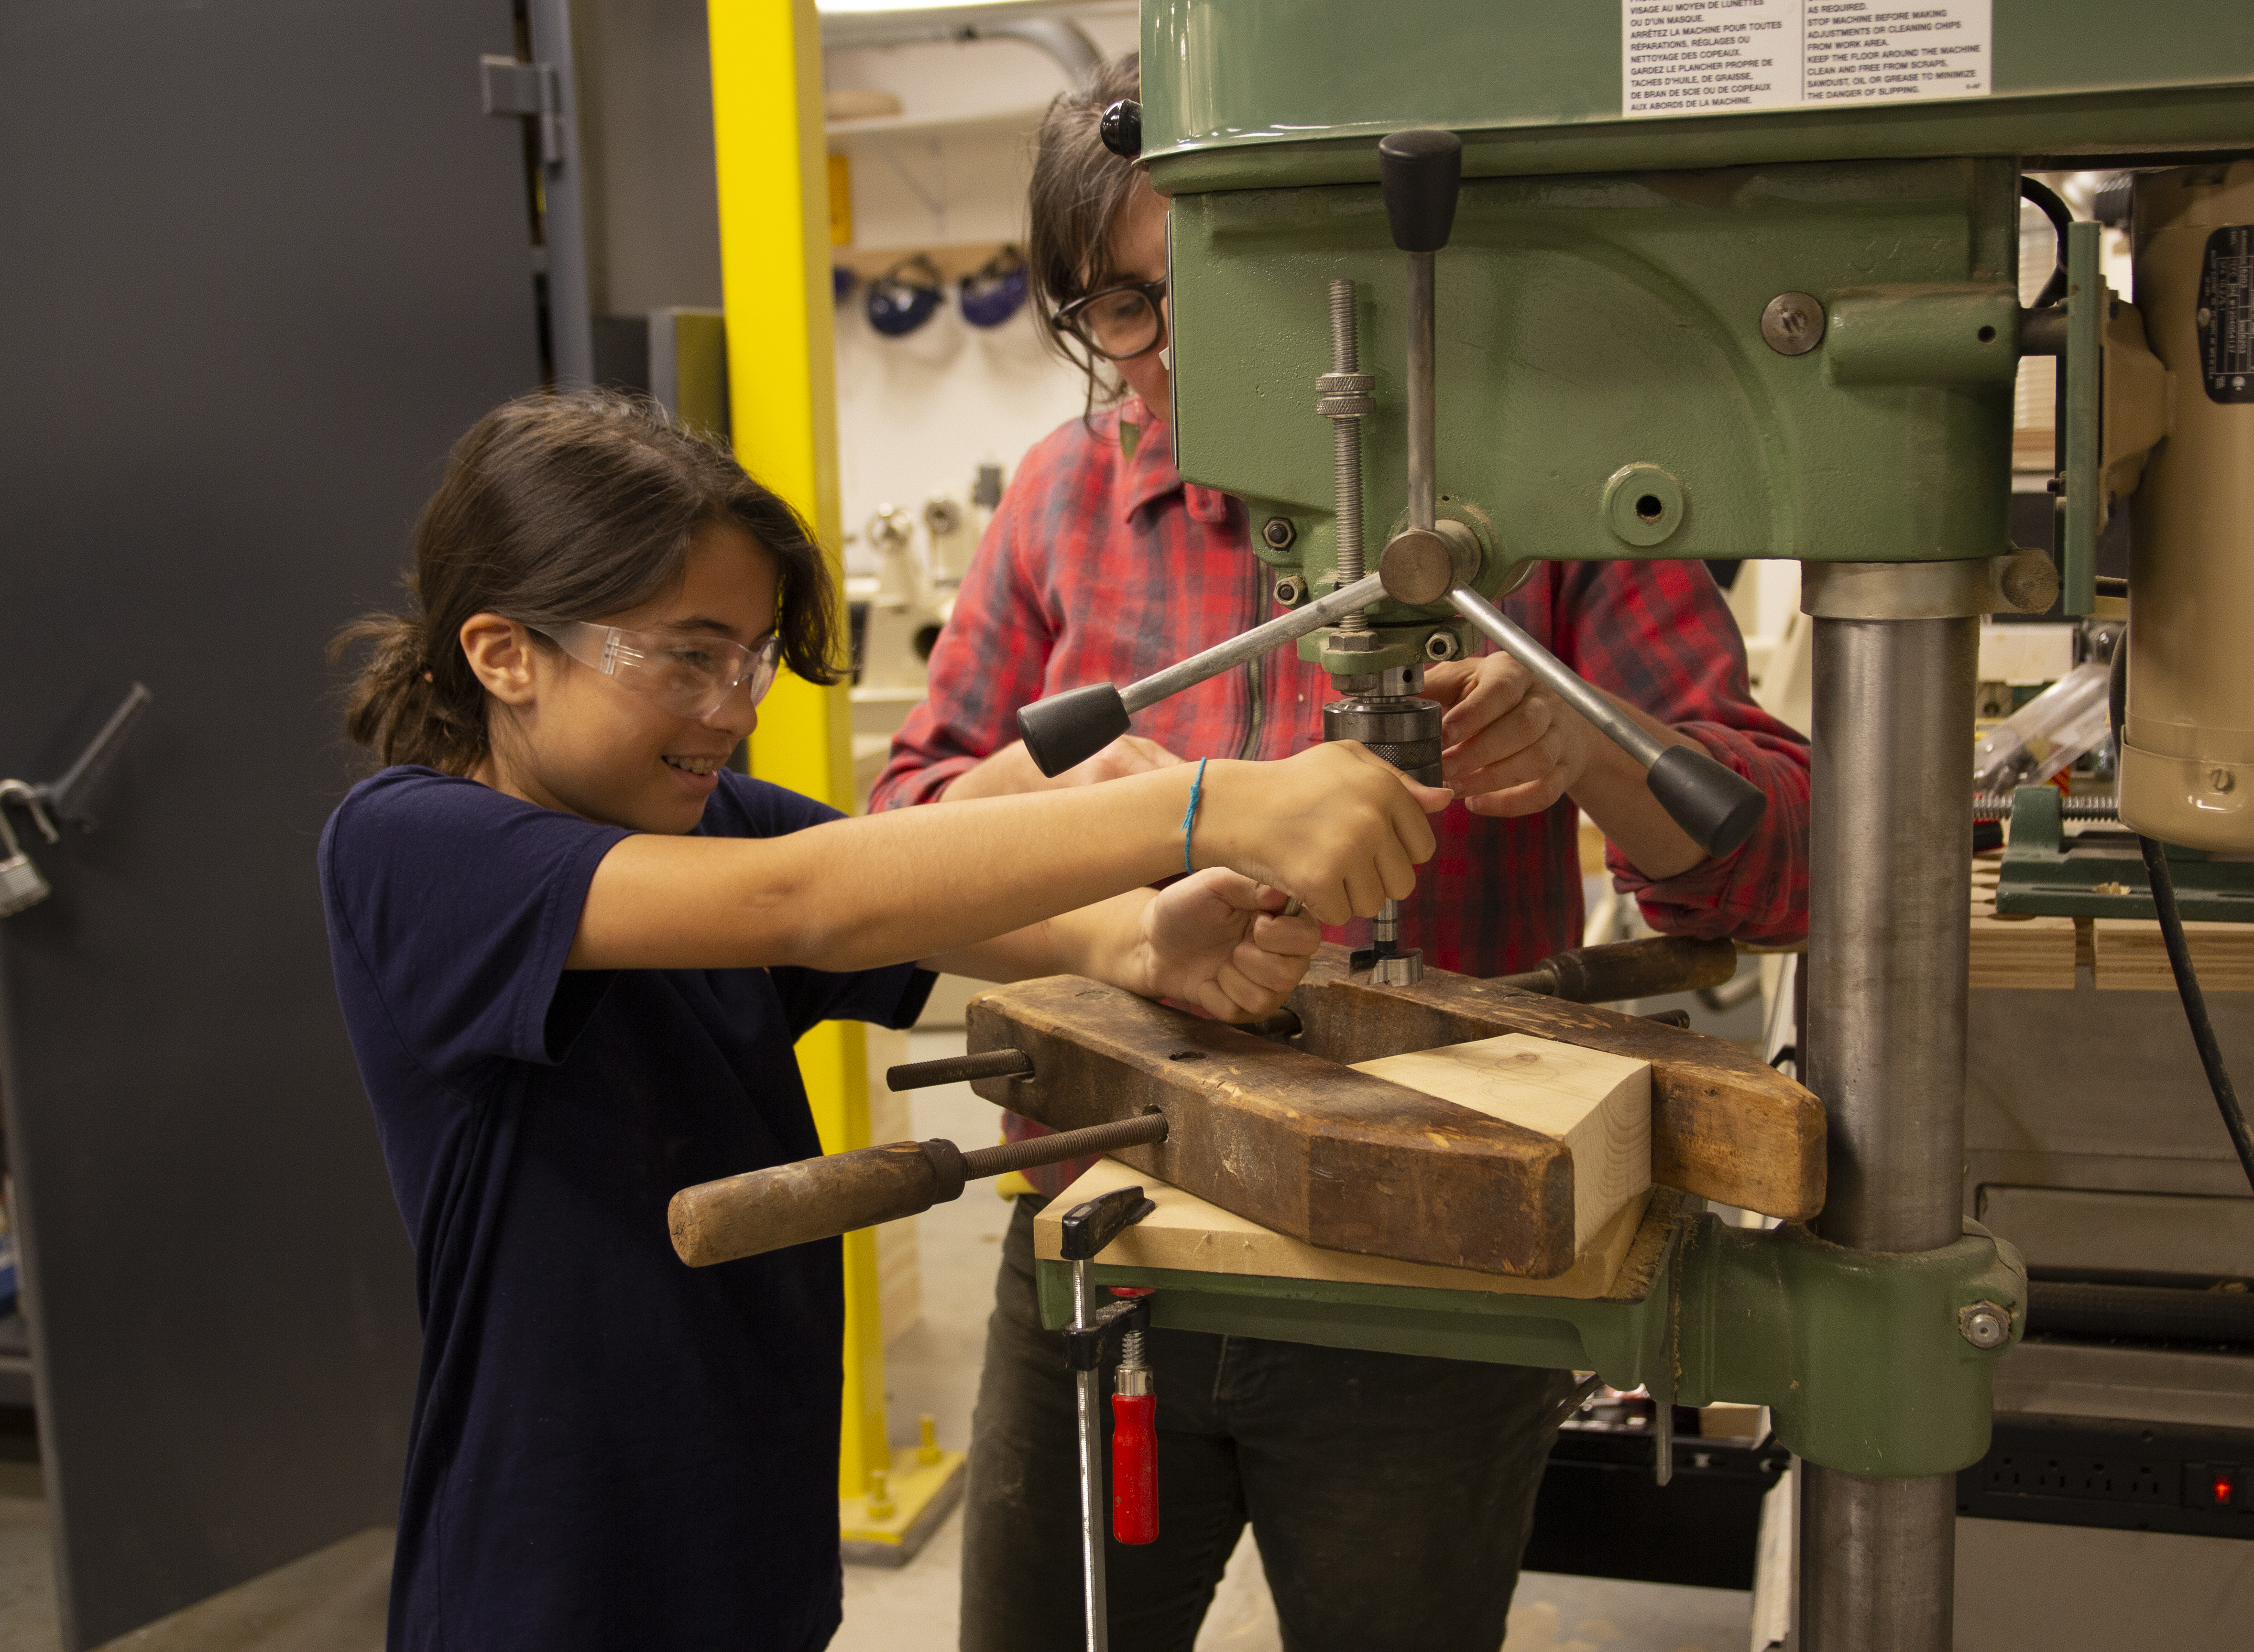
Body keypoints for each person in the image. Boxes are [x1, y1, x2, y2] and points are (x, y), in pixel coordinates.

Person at [871, 56, 1813, 1652]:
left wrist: (1590, 753)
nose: (1169, 357)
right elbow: (905, 839)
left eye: (1214, 298)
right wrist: (1094, 835)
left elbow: (1782, 862)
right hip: (1109, 1218)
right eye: (1120, 312)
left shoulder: (1536, 512)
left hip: (1435, 1258)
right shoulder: (1059, 500)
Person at [316, 391, 1449, 1652]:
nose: (732, 705)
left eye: (746, 658)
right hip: (549, 1558)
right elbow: (815, 904)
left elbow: (937, 896)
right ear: (503, 652)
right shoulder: (414, 848)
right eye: (686, 656)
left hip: (750, 1528)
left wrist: (1147, 937)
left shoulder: (714, 819)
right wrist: (1205, 804)